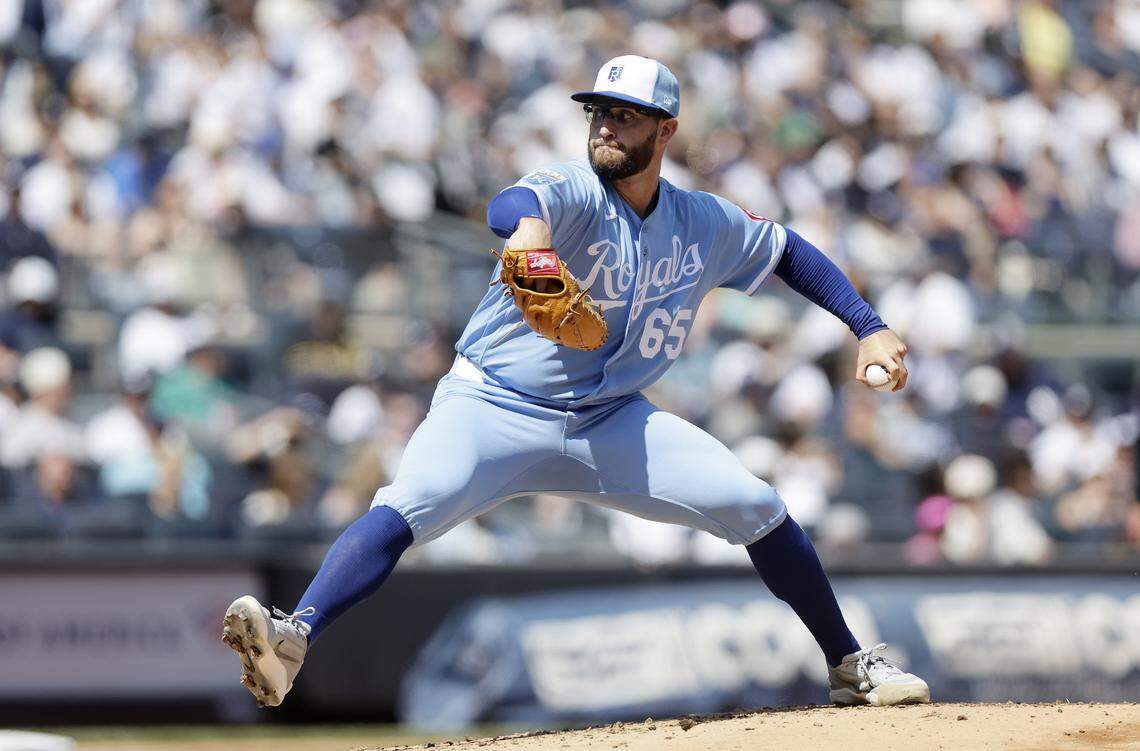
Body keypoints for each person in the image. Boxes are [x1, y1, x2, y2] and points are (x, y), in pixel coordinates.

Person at [223, 55, 929, 710]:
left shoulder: (701, 221)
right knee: (410, 501)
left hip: (609, 418)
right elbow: (512, 204)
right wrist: (528, 235)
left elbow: (786, 252)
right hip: (492, 403)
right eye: (598, 112)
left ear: (667, 130)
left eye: (624, 115)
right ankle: (294, 636)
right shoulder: (574, 191)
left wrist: (866, 323)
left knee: (755, 501)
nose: (606, 126)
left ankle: (848, 664)